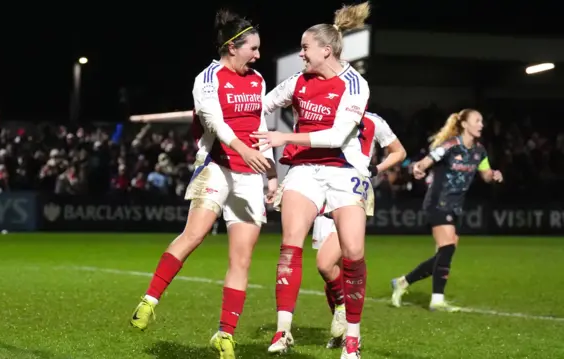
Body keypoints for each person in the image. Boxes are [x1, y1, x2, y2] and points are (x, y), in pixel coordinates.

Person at [130, 9, 277, 359]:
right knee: (194, 235)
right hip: (217, 167)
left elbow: (260, 127)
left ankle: (225, 334)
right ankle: (149, 300)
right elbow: (215, 124)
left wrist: (271, 174)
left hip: (250, 175)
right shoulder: (207, 78)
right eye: (252, 49)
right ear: (231, 47)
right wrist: (242, 149)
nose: (257, 56)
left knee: (241, 258)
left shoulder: (257, 80)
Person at [252, 3, 371, 358]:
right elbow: (262, 104)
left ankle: (353, 335)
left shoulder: (355, 84)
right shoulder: (297, 82)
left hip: (343, 170)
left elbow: (336, 137)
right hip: (303, 169)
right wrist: (248, 124)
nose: (301, 54)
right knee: (290, 244)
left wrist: (282, 139)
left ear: (326, 50)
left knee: (353, 252)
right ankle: (282, 331)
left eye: (305, 48)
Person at [390, 108, 503, 312]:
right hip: (437, 203)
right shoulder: (451, 146)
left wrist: (493, 175)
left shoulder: (480, 151)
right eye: (477, 120)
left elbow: (485, 174)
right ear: (465, 124)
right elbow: (428, 159)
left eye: (482, 121)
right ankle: (437, 300)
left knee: (444, 254)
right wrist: (419, 167)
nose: (481, 125)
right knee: (447, 247)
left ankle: (403, 282)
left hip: (456, 207)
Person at [312, 112, 406, 349]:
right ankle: (343, 330)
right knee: (331, 270)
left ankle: (350, 330)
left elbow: (399, 151)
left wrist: (376, 169)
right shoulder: (326, 112)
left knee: (330, 263)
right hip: (323, 192)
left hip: (351, 193)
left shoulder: (374, 120)